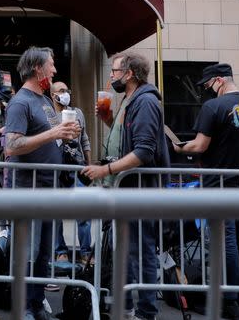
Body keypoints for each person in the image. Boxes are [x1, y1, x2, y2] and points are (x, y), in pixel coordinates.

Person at [84, 51, 169, 320]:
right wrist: (108, 119)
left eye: (115, 71)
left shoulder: (145, 102)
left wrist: (105, 169)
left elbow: (144, 151)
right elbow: (127, 140)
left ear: (129, 74)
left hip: (140, 190)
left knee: (141, 251)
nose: (112, 76)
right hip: (126, 190)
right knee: (126, 250)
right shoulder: (128, 100)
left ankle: (146, 312)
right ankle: (128, 308)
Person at [173, 63, 239, 319]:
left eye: (208, 84)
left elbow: (200, 146)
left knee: (227, 241)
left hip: (219, 182)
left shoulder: (213, 106)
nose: (207, 90)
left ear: (219, 81)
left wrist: (179, 148)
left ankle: (229, 300)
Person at [4, 47, 80, 320]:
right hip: (28, 191)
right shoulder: (20, 102)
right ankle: (23, 308)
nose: (54, 70)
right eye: (51, 65)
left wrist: (65, 134)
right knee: (27, 254)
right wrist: (54, 133)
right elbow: (11, 145)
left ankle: (36, 305)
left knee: (42, 255)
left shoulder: (46, 100)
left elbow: (51, 136)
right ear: (38, 69)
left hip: (48, 189)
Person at [48, 81, 92, 267]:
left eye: (67, 90)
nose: (65, 94)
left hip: (77, 167)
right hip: (57, 169)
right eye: (61, 91)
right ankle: (60, 251)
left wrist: (89, 164)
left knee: (83, 212)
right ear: (53, 95)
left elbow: (85, 140)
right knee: (56, 212)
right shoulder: (48, 115)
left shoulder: (77, 113)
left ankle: (86, 252)